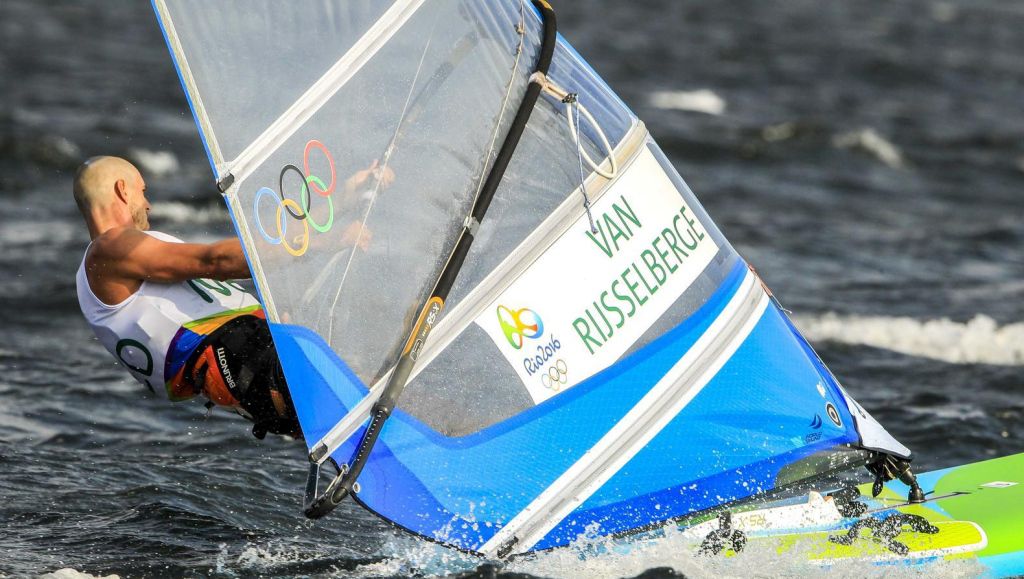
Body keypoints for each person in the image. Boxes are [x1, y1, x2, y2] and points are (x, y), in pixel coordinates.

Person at [73, 156, 299, 438]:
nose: (148, 204)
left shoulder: (118, 256)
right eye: (143, 191)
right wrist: (310, 243)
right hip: (247, 360)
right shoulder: (109, 249)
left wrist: (341, 207)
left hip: (248, 372)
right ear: (122, 189)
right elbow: (216, 262)